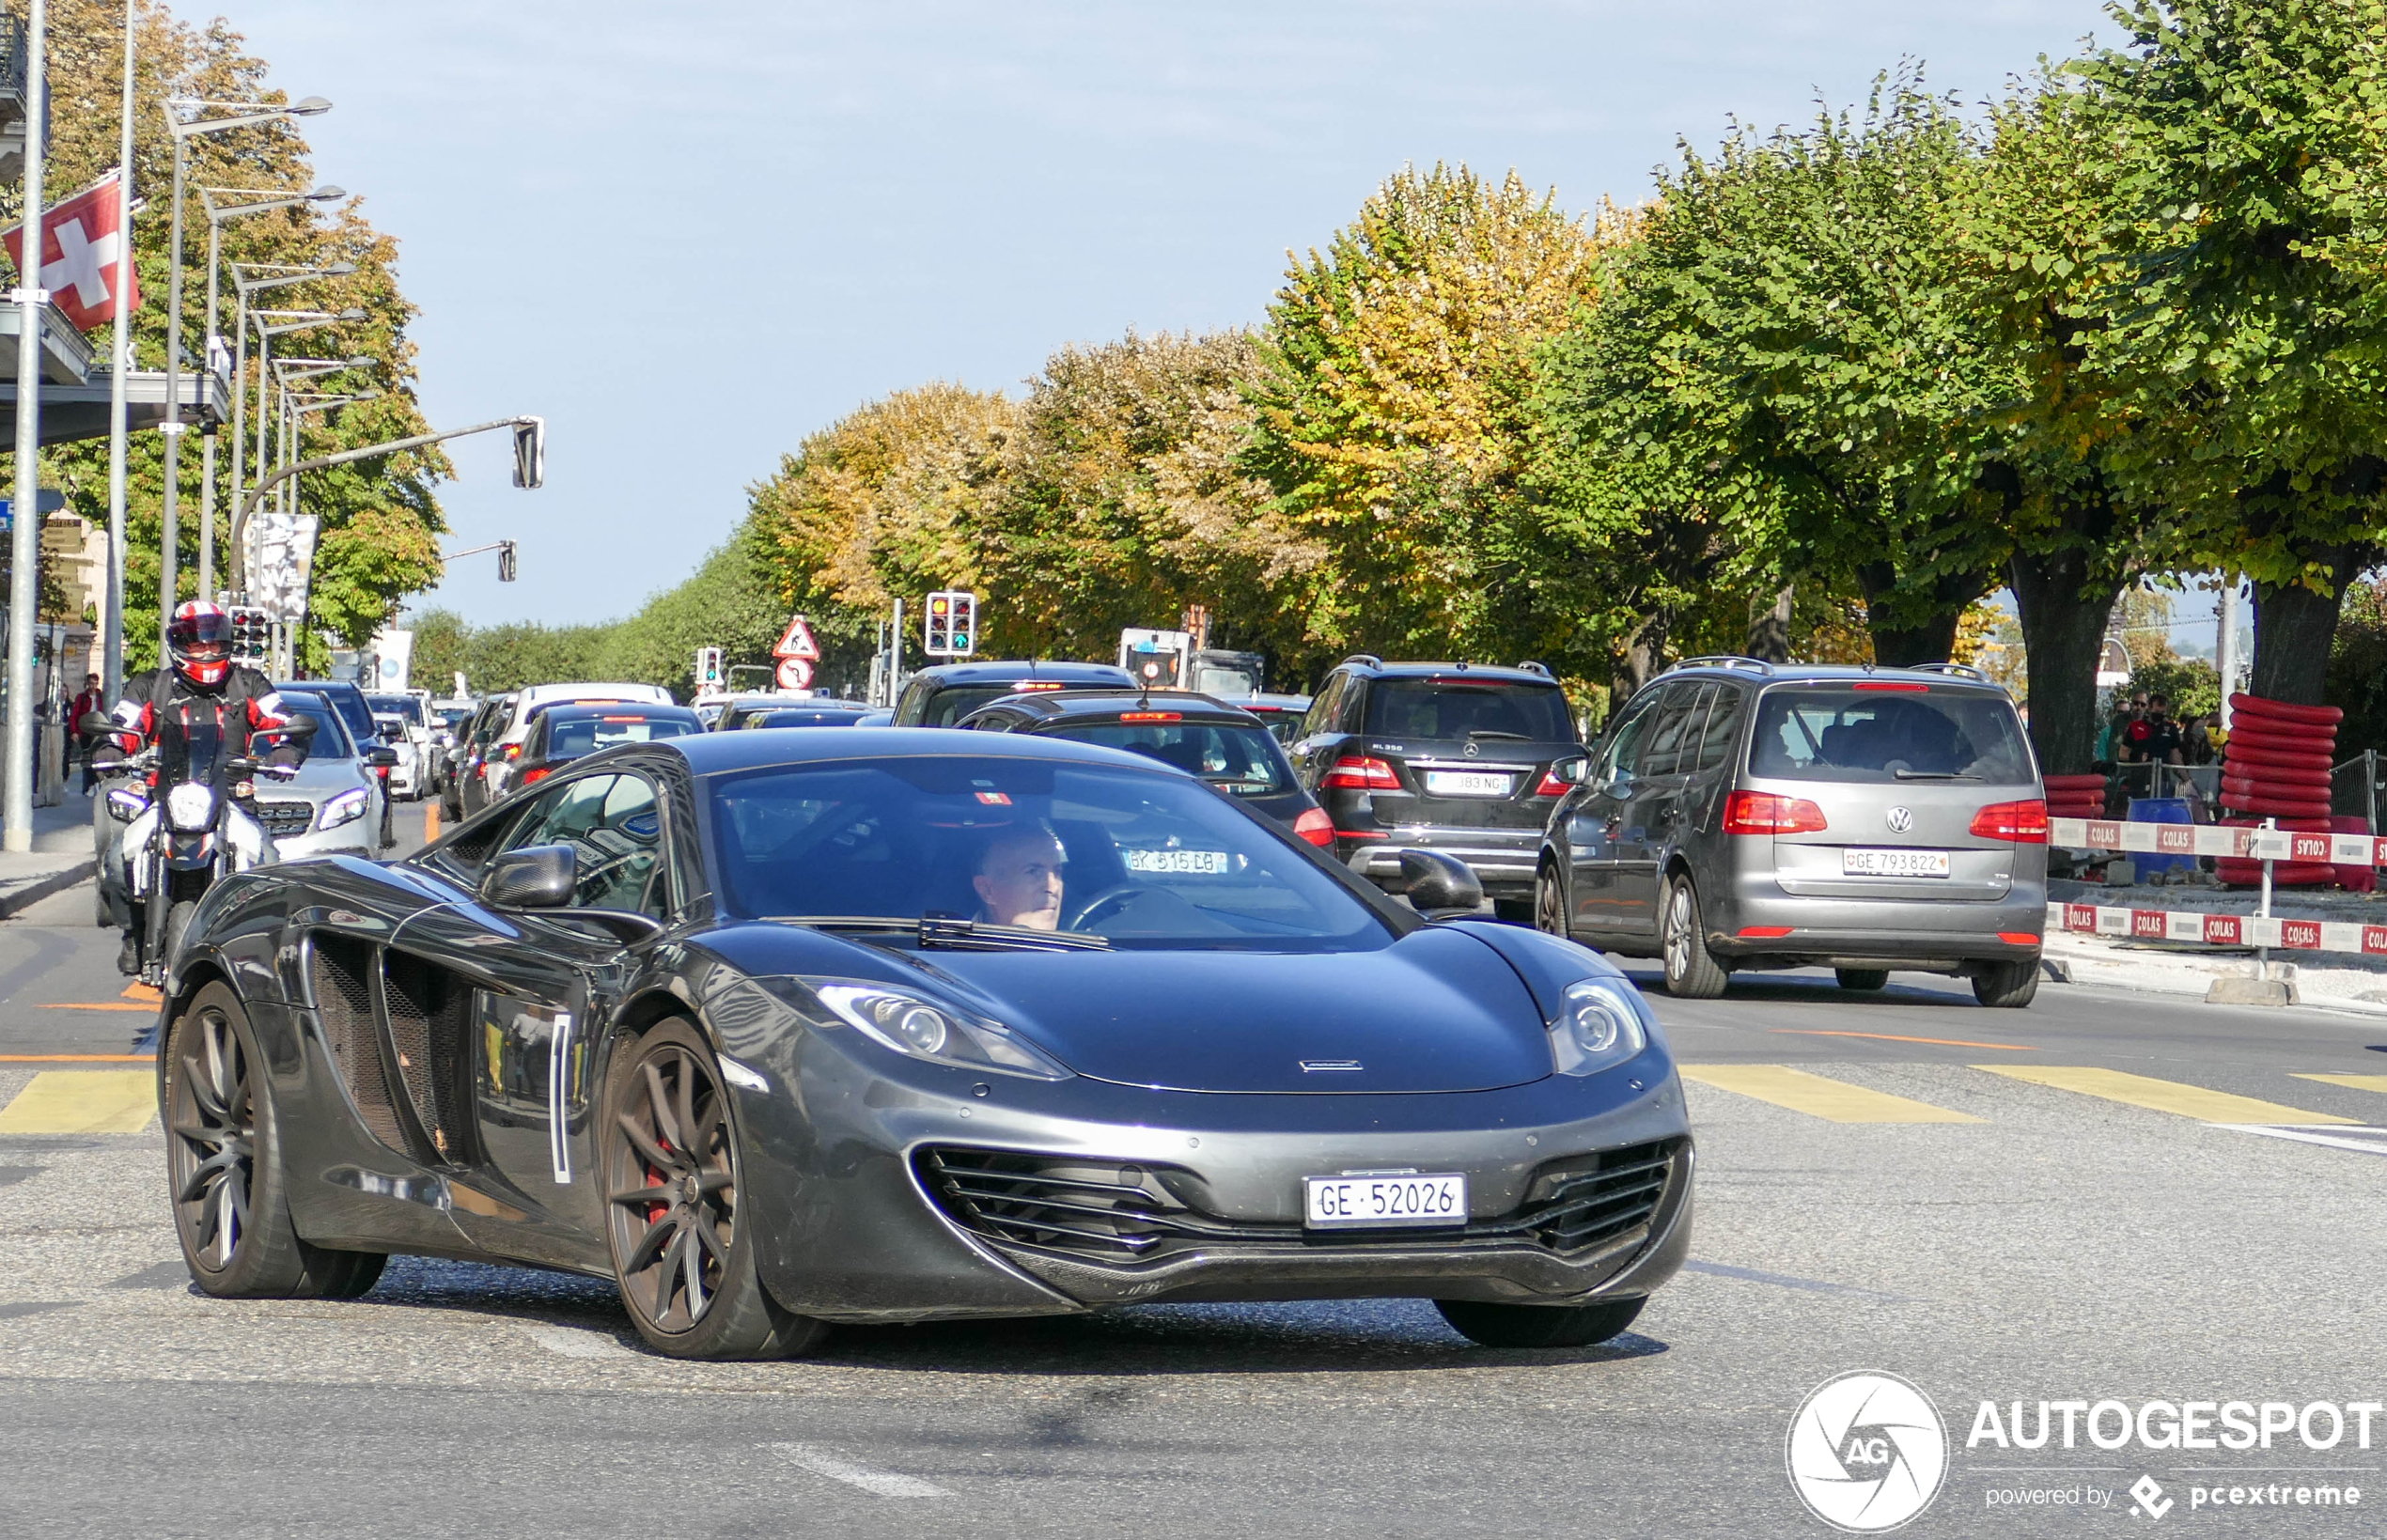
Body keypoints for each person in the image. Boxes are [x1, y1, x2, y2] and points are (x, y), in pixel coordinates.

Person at [93, 601, 308, 974]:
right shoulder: (152, 687)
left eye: (214, 643)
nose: (207, 651)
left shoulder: (248, 684)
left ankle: (257, 951)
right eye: (197, 645)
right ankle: (132, 930)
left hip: (232, 801)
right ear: (179, 645)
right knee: (115, 862)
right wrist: (111, 746)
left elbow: (282, 719)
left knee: (268, 867)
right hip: (163, 800)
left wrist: (286, 749)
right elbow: (122, 723)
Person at [971, 822, 1067, 931]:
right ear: (987, 890)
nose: (1054, 888)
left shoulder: (1084, 942)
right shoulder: (955, 945)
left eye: (1057, 872)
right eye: (1033, 872)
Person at [68, 673, 105, 794]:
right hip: (85, 730)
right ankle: (88, 785)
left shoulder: (101, 696)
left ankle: (96, 783)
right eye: (91, 683)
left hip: (98, 730)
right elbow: (75, 715)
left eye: (95, 683)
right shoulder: (82, 698)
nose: (93, 686)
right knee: (87, 759)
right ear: (87, 684)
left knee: (98, 758)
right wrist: (74, 732)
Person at [2125, 692, 2184, 766]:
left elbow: (2175, 756)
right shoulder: (2136, 726)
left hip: (2162, 774)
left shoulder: (2171, 729)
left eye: (2163, 712)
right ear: (2149, 708)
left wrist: (2186, 777)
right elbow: (2123, 751)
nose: (2159, 715)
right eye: (2157, 711)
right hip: (2139, 772)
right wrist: (2136, 758)